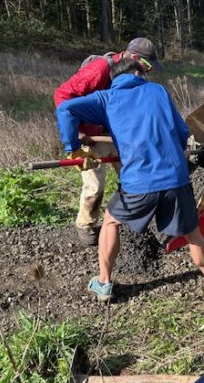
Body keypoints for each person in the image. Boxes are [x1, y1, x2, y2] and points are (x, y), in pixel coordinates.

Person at [56, 58, 204, 301]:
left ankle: (104, 283)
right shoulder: (157, 91)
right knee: (192, 234)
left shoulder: (106, 99)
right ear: (136, 72)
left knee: (111, 222)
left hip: (137, 183)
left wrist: (73, 148)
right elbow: (181, 133)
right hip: (175, 178)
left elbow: (65, 109)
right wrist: (179, 155)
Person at [54, 37, 164, 246]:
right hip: (90, 136)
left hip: (113, 131)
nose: (148, 71)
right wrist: (75, 136)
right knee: (95, 185)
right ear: (134, 57)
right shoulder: (100, 70)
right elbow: (62, 96)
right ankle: (85, 225)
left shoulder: (134, 75)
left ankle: (130, 218)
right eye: (147, 65)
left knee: (132, 175)